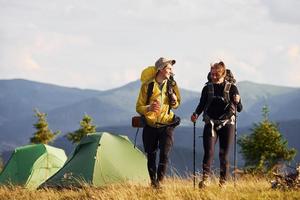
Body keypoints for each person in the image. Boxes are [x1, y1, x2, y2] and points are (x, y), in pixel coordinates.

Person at [191, 61, 242, 188]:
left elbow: (239, 108)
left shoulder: (232, 88)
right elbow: (202, 104)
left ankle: (223, 183)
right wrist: (196, 114)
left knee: (223, 154)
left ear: (223, 74)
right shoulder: (207, 88)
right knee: (208, 152)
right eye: (212, 74)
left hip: (227, 123)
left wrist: (238, 101)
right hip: (210, 122)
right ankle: (205, 180)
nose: (213, 77)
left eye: (216, 75)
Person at [136, 57, 181, 188]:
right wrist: (149, 108)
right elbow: (139, 107)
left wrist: (174, 101)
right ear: (161, 69)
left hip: (167, 125)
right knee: (151, 155)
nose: (171, 71)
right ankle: (153, 182)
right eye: (169, 68)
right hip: (150, 126)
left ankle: (159, 183)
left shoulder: (172, 85)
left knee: (164, 154)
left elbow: (177, 104)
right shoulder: (148, 86)